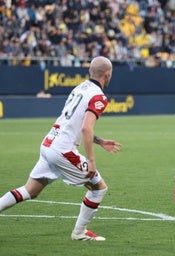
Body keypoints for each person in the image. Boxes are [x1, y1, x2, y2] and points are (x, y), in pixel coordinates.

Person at [0, 56, 121, 241]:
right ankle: (79, 233)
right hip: (63, 150)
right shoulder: (99, 97)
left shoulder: (79, 88)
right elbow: (85, 127)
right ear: (108, 74)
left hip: (49, 143)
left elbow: (72, 123)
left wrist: (100, 141)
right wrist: (91, 161)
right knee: (99, 188)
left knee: (30, 190)